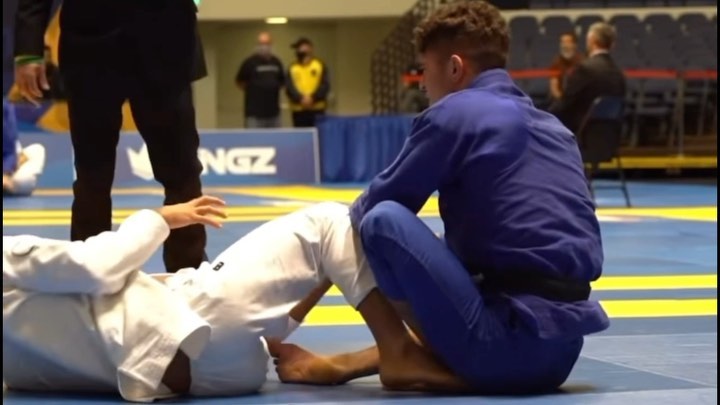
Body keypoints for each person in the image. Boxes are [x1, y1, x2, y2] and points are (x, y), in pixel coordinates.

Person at [270, 1, 609, 395]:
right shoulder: (555, 128)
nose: (421, 85)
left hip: (502, 346)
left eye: (424, 71)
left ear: (454, 68)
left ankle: (400, 352)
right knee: (448, 251)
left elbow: (364, 215)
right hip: (561, 355)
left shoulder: (456, 112)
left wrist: (286, 318)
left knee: (382, 219)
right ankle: (364, 362)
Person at [5, 197, 427, 400]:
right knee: (328, 222)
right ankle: (399, 350)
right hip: (193, 322)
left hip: (210, 380)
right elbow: (99, 266)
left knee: (316, 263)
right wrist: (159, 218)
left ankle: (343, 361)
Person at [14, 0, 209, 272]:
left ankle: (189, 273)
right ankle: (88, 272)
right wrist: (28, 52)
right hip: (90, 46)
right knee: (92, 175)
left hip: (167, 43)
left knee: (182, 172)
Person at [549, 22, 626, 133]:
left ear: (591, 41)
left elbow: (565, 103)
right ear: (612, 45)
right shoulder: (618, 73)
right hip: (610, 134)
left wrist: (544, 117)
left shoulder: (584, 69)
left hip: (582, 131)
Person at [236, 32, 286, 129]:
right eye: (261, 44)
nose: (264, 47)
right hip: (254, 115)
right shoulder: (249, 62)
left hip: (274, 114)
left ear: (271, 45)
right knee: (254, 138)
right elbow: (239, 82)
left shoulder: (276, 62)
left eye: (266, 44)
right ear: (257, 45)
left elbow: (282, 82)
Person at [3, 98, 46, 196]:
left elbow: (9, 151)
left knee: (37, 150)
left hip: (8, 168)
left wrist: (5, 173)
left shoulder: (5, 108)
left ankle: (8, 185)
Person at [286, 37, 330, 128]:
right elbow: (289, 88)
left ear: (309, 49)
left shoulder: (319, 65)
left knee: (318, 134)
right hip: (299, 111)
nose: (298, 51)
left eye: (300, 48)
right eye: (297, 49)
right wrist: (301, 99)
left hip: (317, 109)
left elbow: (325, 85)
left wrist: (313, 98)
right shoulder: (292, 68)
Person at [548, 32, 584, 101]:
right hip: (561, 100)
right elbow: (554, 89)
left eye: (568, 42)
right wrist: (563, 101)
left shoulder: (583, 62)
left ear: (574, 45)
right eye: (562, 42)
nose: (564, 45)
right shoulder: (556, 63)